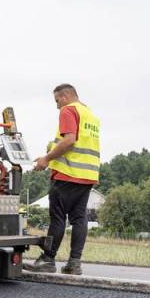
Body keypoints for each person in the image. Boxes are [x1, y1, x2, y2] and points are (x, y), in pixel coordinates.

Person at [25, 84, 100, 275]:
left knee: (58, 217)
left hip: (68, 173)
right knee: (79, 218)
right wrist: (49, 154)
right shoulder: (89, 114)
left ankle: (48, 260)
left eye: (57, 100)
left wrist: (46, 159)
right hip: (87, 175)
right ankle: (74, 263)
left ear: (65, 97)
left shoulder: (68, 110)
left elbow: (69, 141)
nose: (57, 105)